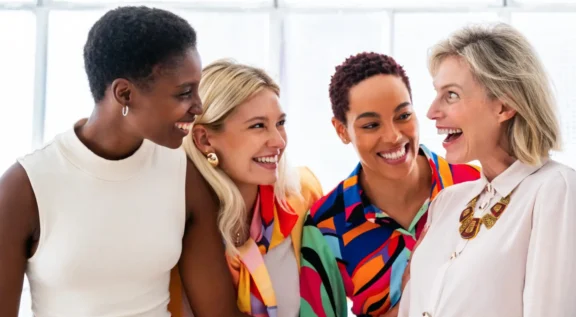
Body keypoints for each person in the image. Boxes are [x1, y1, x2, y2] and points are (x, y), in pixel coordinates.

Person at [0, 6, 245, 316]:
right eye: (184, 93)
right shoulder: (25, 188)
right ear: (125, 94)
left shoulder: (183, 175)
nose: (198, 106)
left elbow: (218, 313)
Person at [399, 23, 576, 317]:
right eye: (437, 93)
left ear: (504, 106)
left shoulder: (557, 189)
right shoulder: (446, 202)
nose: (431, 112)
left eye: (451, 95)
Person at [307, 52, 481, 317]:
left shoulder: (478, 185)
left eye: (403, 116)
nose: (393, 136)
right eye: (371, 125)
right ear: (342, 130)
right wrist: (411, 300)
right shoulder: (324, 227)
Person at [165, 59, 343, 316]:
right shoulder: (172, 221)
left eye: (280, 123)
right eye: (258, 126)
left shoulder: (302, 196)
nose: (279, 141)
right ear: (204, 139)